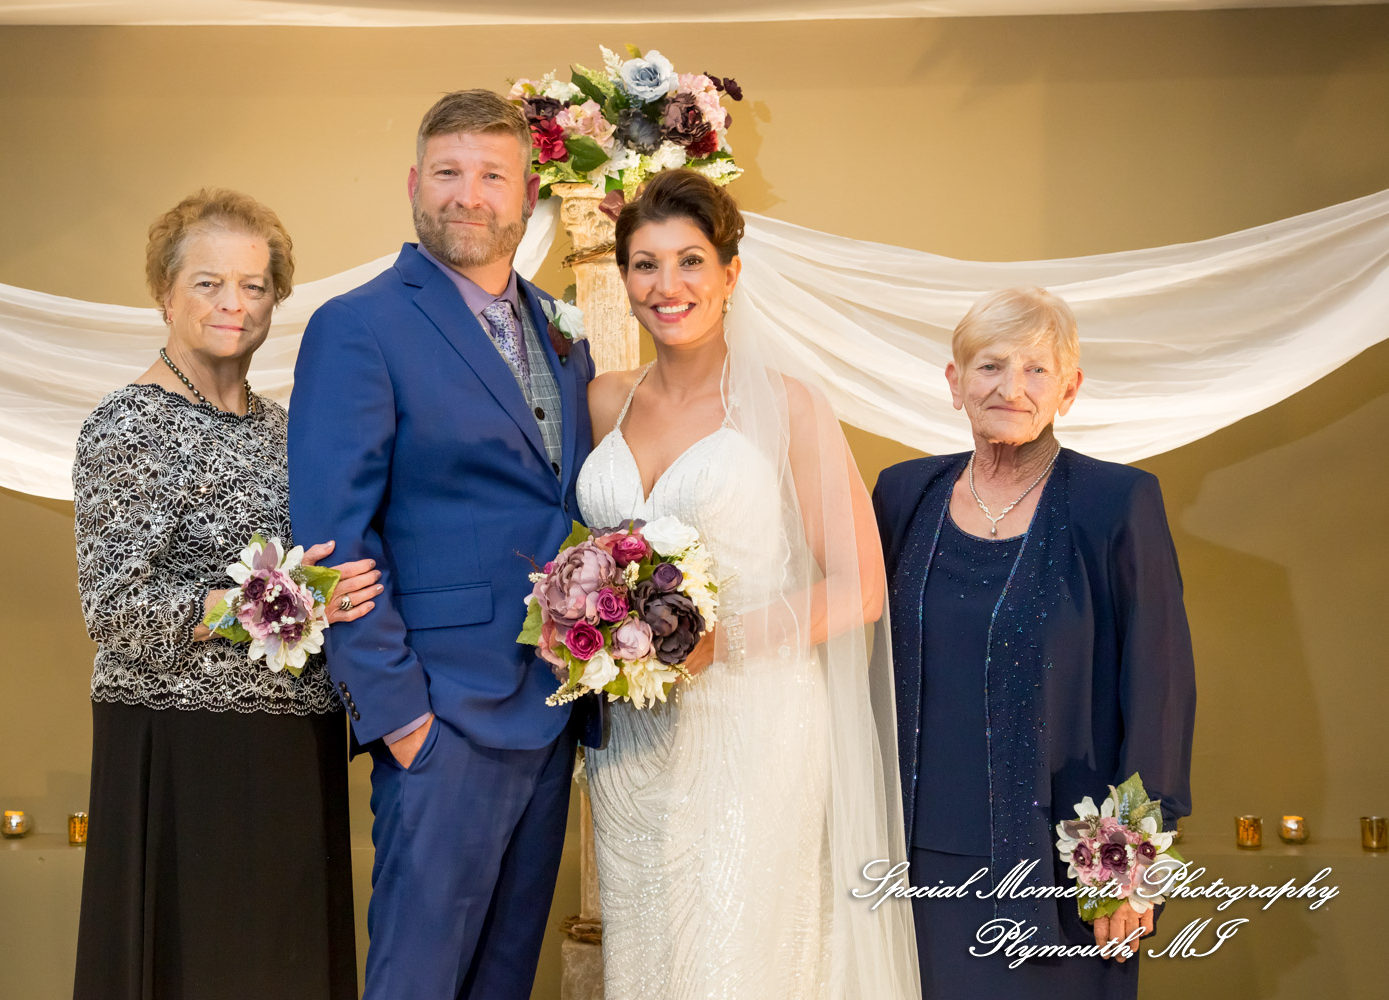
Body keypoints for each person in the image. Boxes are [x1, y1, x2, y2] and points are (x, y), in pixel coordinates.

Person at [577, 168, 921, 999]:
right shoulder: (604, 401)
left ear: (731, 274)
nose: (668, 286)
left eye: (691, 261)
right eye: (646, 264)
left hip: (755, 728)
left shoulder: (789, 406)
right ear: (622, 279)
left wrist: (716, 642)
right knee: (648, 959)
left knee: (740, 961)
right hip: (633, 741)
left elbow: (860, 587)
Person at [287, 90, 596, 1000]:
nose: (470, 195)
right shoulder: (361, 324)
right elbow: (334, 536)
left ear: (528, 193)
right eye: (449, 173)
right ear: (414, 185)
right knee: (418, 982)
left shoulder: (561, 328)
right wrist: (402, 718)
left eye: (492, 175)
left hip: (552, 709)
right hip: (442, 715)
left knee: (504, 978)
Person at [72, 188, 380, 1000]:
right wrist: (281, 601)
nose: (233, 303)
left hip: (294, 744)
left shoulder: (286, 428)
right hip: (183, 751)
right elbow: (115, 608)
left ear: (277, 297)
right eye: (207, 282)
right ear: (164, 294)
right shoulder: (126, 424)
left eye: (253, 284)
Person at [872, 287, 1197, 998]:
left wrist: (1128, 866)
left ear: (1069, 389)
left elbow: (1158, 689)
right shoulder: (902, 496)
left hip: (1064, 868)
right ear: (954, 384)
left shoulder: (1118, 503)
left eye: (1036, 370)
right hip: (913, 862)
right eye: (989, 367)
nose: (1011, 388)